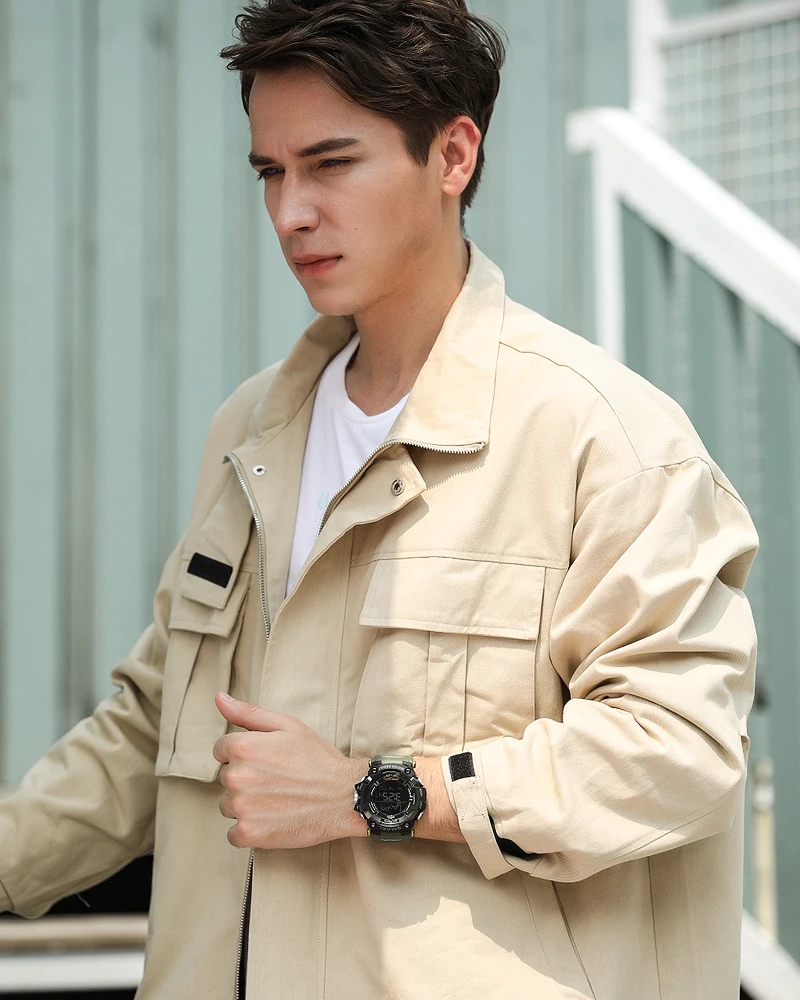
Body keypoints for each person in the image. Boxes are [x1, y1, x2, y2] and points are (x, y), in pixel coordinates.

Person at [0, 2, 758, 998]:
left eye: (330, 164)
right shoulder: (251, 431)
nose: (290, 213)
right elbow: (157, 722)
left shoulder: (604, 439)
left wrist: (373, 795)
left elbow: (677, 753)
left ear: (452, 156)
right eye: (270, 172)